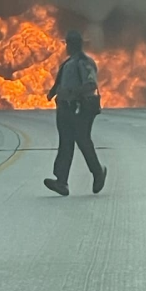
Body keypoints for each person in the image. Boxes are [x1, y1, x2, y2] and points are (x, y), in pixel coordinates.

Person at [44, 30, 107, 197]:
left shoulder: (85, 62)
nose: (68, 46)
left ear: (74, 44)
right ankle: (61, 182)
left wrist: (73, 93)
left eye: (69, 43)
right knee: (65, 144)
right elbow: (59, 83)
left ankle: (98, 172)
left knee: (83, 141)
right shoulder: (67, 63)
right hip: (65, 109)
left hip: (80, 109)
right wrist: (53, 93)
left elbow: (91, 84)